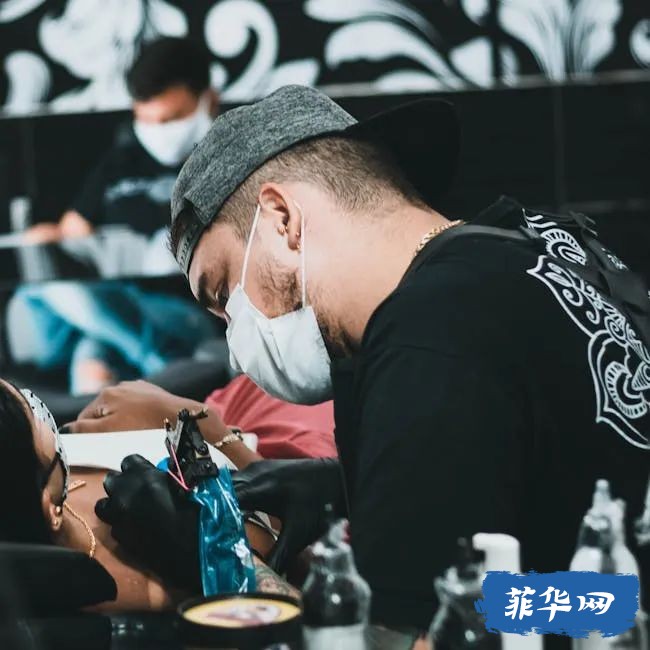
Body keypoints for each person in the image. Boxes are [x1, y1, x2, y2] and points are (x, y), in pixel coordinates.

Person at [93, 86, 650, 643]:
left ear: (283, 218)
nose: (235, 343)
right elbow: (606, 596)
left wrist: (220, 558)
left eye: (223, 292)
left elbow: (405, 642)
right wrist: (348, 488)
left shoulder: (431, 333)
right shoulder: (536, 244)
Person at [7, 37, 219, 393]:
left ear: (208, 100)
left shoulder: (223, 163)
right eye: (146, 120)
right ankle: (149, 360)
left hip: (183, 311)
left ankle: (141, 353)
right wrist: (47, 240)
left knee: (92, 342)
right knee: (60, 297)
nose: (158, 132)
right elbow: (72, 231)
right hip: (111, 301)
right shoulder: (119, 163)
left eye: (171, 119)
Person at [0, 377, 307, 610]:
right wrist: (217, 433)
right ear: (47, 506)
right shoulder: (131, 592)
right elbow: (303, 574)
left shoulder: (41, 467)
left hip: (247, 426)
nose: (41, 414)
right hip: (286, 457)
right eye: (33, 416)